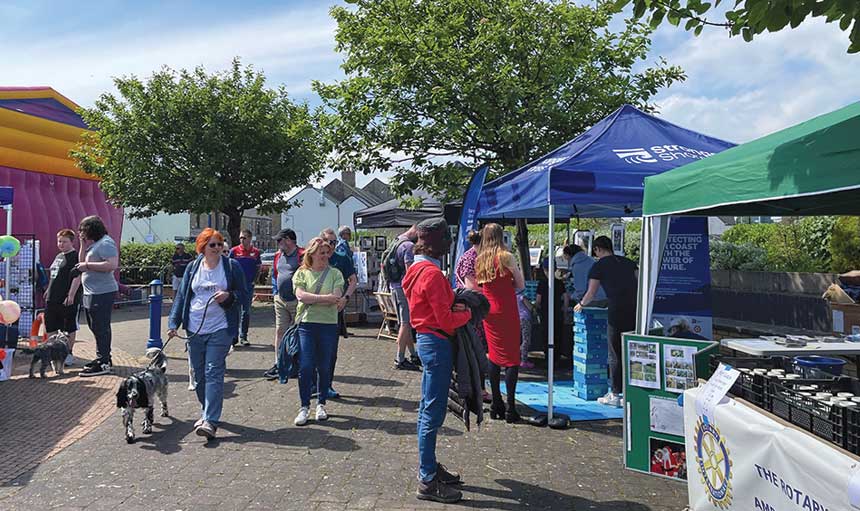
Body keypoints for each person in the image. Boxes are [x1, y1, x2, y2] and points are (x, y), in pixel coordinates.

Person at [402, 218, 471, 504]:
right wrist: (467, 312)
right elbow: (445, 319)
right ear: (434, 243)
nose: (449, 243)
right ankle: (427, 479)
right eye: (445, 238)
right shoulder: (431, 274)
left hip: (427, 340)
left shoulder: (415, 269)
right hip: (437, 341)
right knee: (432, 412)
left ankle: (428, 468)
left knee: (427, 410)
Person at [168, 228, 247, 440]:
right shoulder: (193, 267)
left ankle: (210, 420)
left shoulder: (231, 266)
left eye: (220, 244)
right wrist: (173, 323)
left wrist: (229, 296)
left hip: (220, 328)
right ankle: (206, 412)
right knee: (199, 374)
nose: (217, 248)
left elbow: (244, 294)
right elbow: (183, 296)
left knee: (214, 371)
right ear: (202, 247)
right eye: (212, 245)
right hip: (194, 328)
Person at [574, 235, 637, 408]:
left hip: (616, 310)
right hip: (635, 309)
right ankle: (631, 392)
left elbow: (591, 293)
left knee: (614, 352)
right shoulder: (629, 262)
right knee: (630, 351)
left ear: (597, 249)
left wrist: (580, 304)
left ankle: (615, 393)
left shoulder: (598, 266)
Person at [292, 237, 344, 426]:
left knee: (324, 366)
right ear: (311, 254)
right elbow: (300, 295)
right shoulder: (302, 273)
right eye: (321, 252)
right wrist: (325, 298)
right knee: (305, 366)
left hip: (328, 324)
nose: (324, 256)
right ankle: (304, 406)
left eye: (327, 252)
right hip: (307, 324)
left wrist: (313, 298)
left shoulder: (336, 273)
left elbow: (337, 296)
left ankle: (321, 404)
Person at [476, 223, 525, 423]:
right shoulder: (506, 256)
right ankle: (511, 407)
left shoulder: (480, 260)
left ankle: (497, 403)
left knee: (494, 355)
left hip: (489, 311)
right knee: (512, 357)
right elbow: (520, 284)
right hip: (506, 309)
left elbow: (481, 285)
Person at [76, 216, 119, 377]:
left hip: (102, 292)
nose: (81, 233)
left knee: (101, 327)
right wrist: (82, 245)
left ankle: (104, 362)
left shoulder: (106, 243)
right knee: (95, 327)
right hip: (91, 292)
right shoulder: (94, 245)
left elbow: (112, 265)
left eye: (83, 230)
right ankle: (103, 357)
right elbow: (80, 263)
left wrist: (88, 265)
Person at [320, 228, 357, 397]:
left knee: (331, 350)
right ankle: (315, 384)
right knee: (313, 350)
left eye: (335, 242)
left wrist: (345, 298)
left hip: (334, 311)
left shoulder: (342, 259)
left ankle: (327, 385)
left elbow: (353, 280)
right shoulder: (314, 258)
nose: (333, 245)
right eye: (329, 241)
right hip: (314, 311)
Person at [264, 228, 303, 380]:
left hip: (296, 301)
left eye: (279, 240)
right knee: (280, 331)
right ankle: (279, 363)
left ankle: (296, 364)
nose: (278, 243)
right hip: (280, 300)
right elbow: (276, 274)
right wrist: (275, 293)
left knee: (297, 334)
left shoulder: (302, 255)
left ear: (288, 240)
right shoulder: (278, 255)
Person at [43, 229, 82, 365]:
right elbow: (54, 275)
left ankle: (68, 353)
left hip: (66, 299)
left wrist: (71, 294)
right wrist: (49, 289)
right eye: (59, 241)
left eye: (64, 241)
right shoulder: (58, 256)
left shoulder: (75, 257)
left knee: (68, 327)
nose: (61, 244)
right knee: (50, 326)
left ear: (71, 242)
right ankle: (53, 352)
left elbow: (77, 277)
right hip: (52, 298)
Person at [390, 225, 420, 370]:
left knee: (404, 321)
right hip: (403, 288)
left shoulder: (396, 241)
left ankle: (413, 354)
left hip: (394, 286)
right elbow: (410, 273)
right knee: (406, 323)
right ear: (415, 231)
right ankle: (399, 359)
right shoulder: (408, 246)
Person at [229, 229, 262, 347]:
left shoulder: (256, 252)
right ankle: (234, 337)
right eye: (240, 238)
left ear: (250, 238)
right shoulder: (234, 251)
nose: (242, 240)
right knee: (235, 311)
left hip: (248, 285)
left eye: (244, 237)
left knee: (246, 311)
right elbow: (229, 267)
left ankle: (244, 336)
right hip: (236, 286)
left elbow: (258, 268)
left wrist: (254, 280)